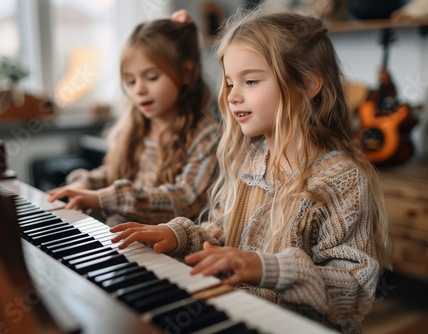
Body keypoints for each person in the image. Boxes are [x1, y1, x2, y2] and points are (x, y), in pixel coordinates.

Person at [110, 8, 392, 333]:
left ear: (309, 83)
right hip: (239, 316)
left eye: (251, 81)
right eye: (230, 83)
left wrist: (266, 268)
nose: (232, 96)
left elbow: (354, 290)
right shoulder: (252, 160)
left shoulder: (342, 178)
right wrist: (179, 235)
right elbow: (223, 234)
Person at [47, 17, 218, 227]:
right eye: (131, 81)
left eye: (152, 77)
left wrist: (104, 198)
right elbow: (112, 173)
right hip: (122, 240)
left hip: (166, 254)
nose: (139, 90)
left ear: (186, 72)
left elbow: (184, 199)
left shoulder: (205, 135)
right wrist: (87, 183)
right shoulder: (134, 128)